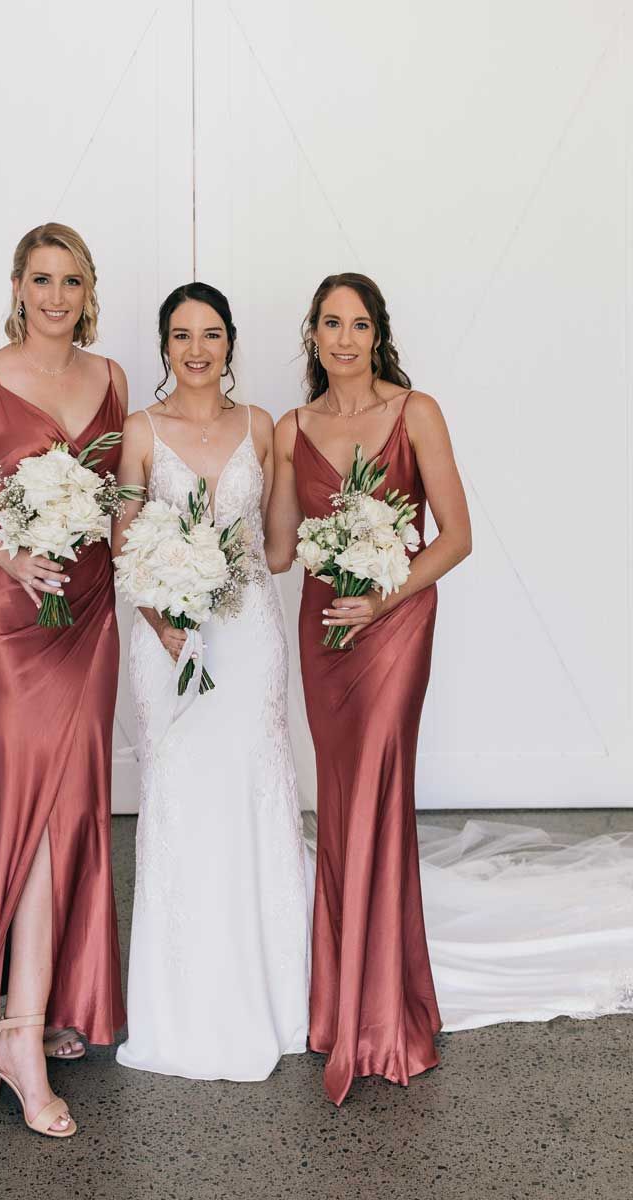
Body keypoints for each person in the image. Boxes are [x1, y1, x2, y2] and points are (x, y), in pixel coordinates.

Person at [0, 223, 127, 1137]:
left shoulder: (113, 379)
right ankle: (15, 1032)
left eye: (71, 280)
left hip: (86, 622)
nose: (55, 296)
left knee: (71, 810)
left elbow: (122, 506)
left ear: (90, 290)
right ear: (17, 285)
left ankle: (34, 1012)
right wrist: (12, 557)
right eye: (40, 279)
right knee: (27, 822)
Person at [266, 272, 472, 1105]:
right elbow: (283, 552)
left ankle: (383, 1014)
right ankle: (343, 1000)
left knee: (380, 795)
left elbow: (456, 538)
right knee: (343, 799)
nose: (343, 339)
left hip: (395, 627)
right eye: (329, 324)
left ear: (378, 333)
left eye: (357, 324)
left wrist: (386, 592)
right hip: (326, 633)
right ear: (311, 335)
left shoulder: (416, 412)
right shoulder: (293, 427)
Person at [112, 282, 309, 1081]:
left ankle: (276, 993)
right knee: (180, 792)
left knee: (252, 789)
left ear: (231, 344)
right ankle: (181, 998)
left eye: (213, 334)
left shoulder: (262, 427)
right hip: (165, 639)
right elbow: (124, 542)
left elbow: (281, 548)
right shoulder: (137, 431)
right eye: (183, 335)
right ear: (164, 345)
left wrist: (229, 568)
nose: (198, 349)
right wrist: (166, 613)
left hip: (248, 632)